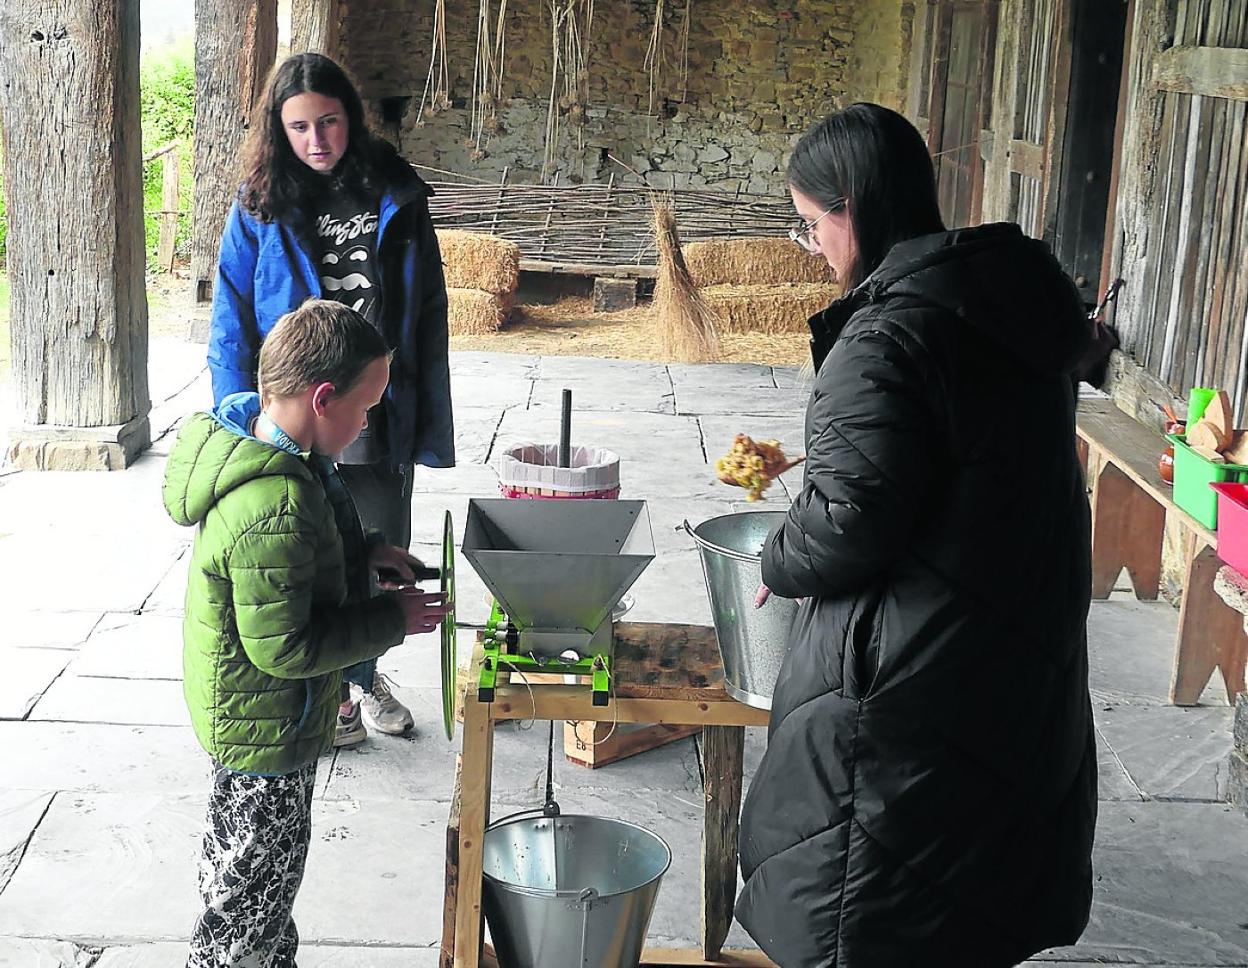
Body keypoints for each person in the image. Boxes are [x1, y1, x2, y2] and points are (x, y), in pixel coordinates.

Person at [737, 103, 1097, 967]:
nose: (814, 246)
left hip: (915, 682)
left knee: (878, 911)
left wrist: (777, 557)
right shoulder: (1005, 305)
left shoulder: (884, 336)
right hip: (1010, 654)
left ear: (851, 210)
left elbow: (846, 526)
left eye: (810, 224)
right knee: (970, 902)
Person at [164, 300, 450, 968]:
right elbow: (284, 647)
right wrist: (390, 621)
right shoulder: (275, 504)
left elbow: (306, 560)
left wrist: (367, 552)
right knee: (251, 899)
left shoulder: (281, 454)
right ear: (323, 399)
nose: (366, 423)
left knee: (250, 884)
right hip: (264, 730)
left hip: (256, 721)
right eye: (365, 408)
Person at [207, 51, 453, 746]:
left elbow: (427, 310)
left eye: (330, 121)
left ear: (351, 115)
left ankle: (362, 677)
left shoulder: (396, 192)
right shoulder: (259, 203)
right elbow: (230, 319)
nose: (317, 141)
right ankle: (327, 693)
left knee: (378, 548)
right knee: (308, 550)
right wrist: (239, 416)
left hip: (373, 403)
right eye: (300, 127)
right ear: (277, 130)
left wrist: (425, 419)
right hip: (291, 407)